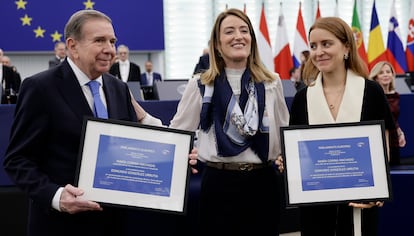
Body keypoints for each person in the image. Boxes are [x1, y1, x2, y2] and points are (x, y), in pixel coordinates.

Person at [2, 9, 164, 236]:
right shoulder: (40, 88)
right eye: (99, 41)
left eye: (112, 41)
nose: (109, 49)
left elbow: (133, 150)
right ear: (73, 46)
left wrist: (173, 157)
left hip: (113, 223)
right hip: (60, 225)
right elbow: (17, 160)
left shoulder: (118, 88)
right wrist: (57, 196)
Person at [168, 8, 289, 236]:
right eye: (229, 31)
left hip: (263, 182)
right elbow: (178, 132)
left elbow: (284, 132)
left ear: (251, 39)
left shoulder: (272, 82)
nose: (238, 36)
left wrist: (288, 156)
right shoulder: (201, 84)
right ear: (217, 43)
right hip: (218, 183)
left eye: (244, 30)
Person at [289, 17, 395, 236]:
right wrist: (288, 162)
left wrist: (378, 190)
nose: (318, 52)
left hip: (360, 205)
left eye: (326, 44)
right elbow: (299, 154)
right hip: (314, 208)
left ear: (346, 46)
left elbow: (383, 147)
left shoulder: (372, 92)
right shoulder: (302, 98)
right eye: (313, 46)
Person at [369, 61, 406, 166]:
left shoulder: (395, 96)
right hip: (379, 140)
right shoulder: (372, 96)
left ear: (392, 75)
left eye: (388, 72)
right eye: (381, 72)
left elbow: (392, 118)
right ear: (376, 77)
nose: (385, 75)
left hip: (394, 140)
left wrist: (400, 132)